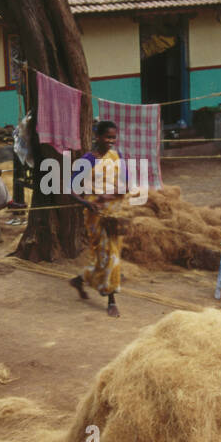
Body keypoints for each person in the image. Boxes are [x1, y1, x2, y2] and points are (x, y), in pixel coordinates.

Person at [70, 120, 127, 317]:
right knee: (108, 255)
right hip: (96, 215)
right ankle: (111, 299)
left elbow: (124, 184)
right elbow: (72, 190)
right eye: (107, 137)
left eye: (113, 137)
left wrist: (113, 194)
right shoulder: (87, 160)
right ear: (97, 137)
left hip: (115, 213)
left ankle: (81, 279)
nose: (111, 141)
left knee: (112, 254)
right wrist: (88, 203)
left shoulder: (116, 156)